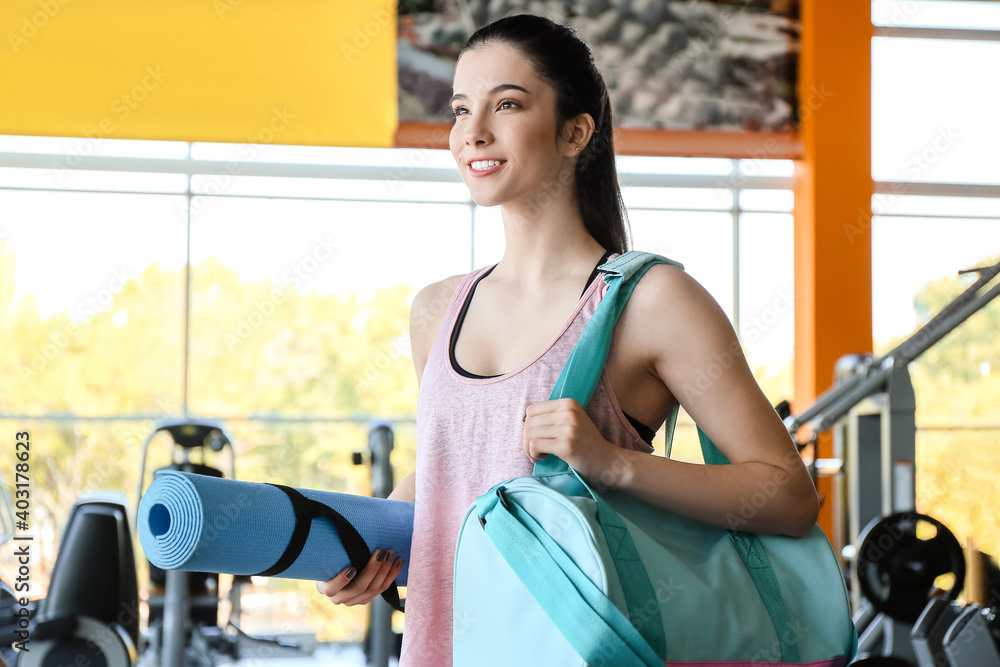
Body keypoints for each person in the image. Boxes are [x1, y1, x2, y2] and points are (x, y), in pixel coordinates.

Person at [316, 12, 819, 665]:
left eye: (508, 104)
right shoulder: (436, 308)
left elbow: (787, 495)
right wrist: (370, 543)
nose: (473, 133)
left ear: (576, 130)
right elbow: (464, 463)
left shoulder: (651, 301)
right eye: (460, 109)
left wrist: (613, 462)